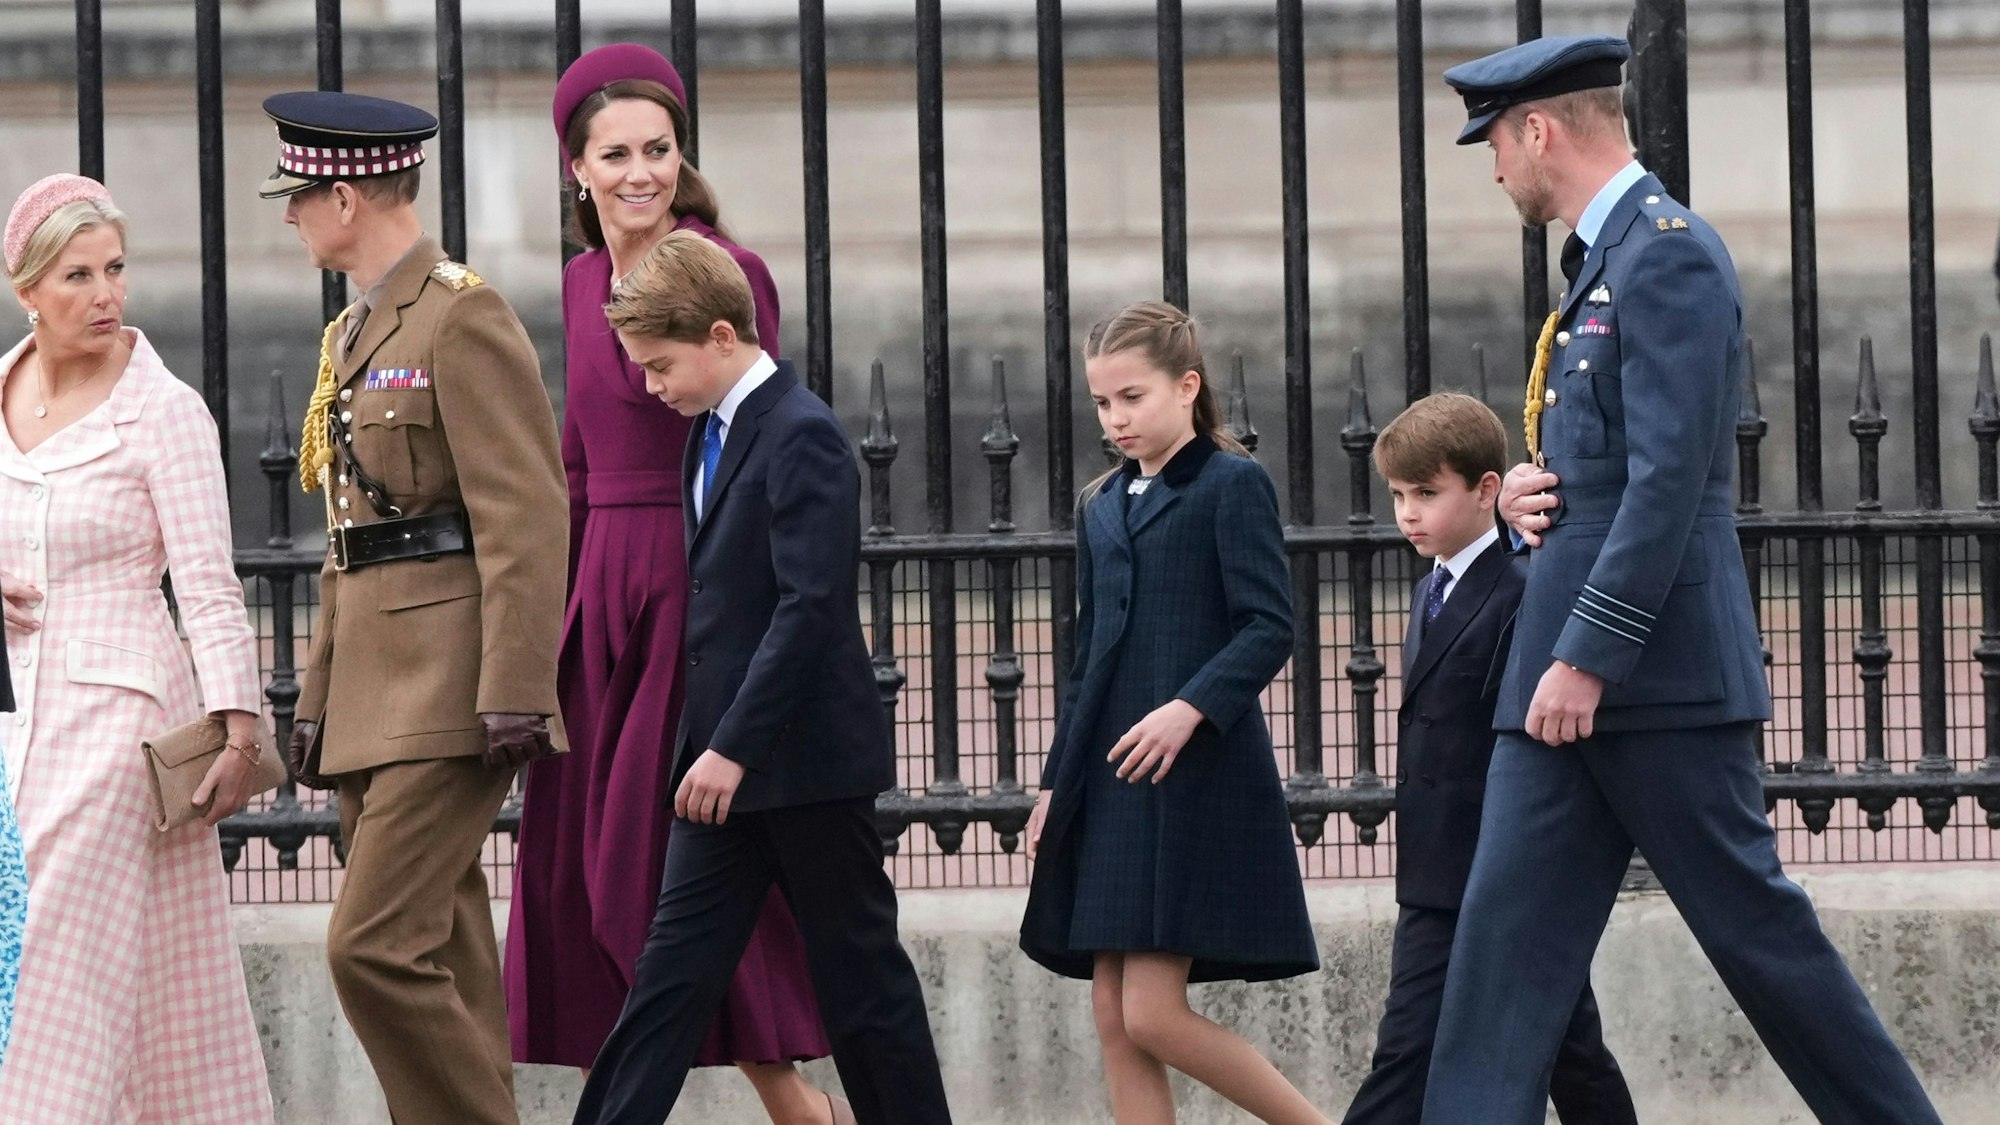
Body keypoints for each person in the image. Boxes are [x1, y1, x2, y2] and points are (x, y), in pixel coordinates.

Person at [1420, 35, 1944, 1125]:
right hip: (1556, 681)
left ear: (1536, 130)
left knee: (1759, 943)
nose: (1492, 171)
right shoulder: (1604, 262)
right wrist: (1529, 498)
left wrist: (1585, 655)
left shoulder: (1667, 254)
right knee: (1497, 961)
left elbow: (1672, 485)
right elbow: (1615, 472)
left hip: (1644, 679)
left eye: (1494, 145)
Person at [506, 43, 843, 1125]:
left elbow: (750, 444)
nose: (640, 170)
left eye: (658, 148)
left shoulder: (722, 273)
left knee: (661, 872)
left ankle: (803, 1104)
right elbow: (572, 452)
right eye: (616, 153)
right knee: (600, 877)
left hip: (688, 587)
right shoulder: (575, 281)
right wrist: (550, 611)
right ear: (577, 168)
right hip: (596, 591)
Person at [570, 230, 952, 1125]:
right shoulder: (711, 428)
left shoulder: (803, 432)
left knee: (863, 993)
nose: (651, 386)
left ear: (718, 335)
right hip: (721, 773)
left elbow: (809, 610)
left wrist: (731, 749)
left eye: (659, 365)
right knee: (666, 986)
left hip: (803, 768)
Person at [261, 93, 569, 1125]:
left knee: (370, 948)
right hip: (372, 697)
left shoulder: (458, 312)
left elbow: (524, 514)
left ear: (344, 196)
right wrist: (317, 696)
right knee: (439, 946)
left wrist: (517, 685)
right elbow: (353, 541)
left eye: (299, 199)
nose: (292, 218)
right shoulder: (355, 327)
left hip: (451, 687)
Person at [0, 173, 273, 1121]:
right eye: (77, 275)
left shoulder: (165, 411)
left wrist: (240, 729)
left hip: (120, 727)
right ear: (27, 288)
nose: (106, 293)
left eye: (114, 268)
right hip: (14, 722)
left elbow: (207, 582)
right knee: (133, 980)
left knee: (49, 953)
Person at [1019, 301, 1326, 1125]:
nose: (1115, 418)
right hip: (1111, 780)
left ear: (1187, 386)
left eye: (1132, 396)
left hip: (1190, 774)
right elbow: (1090, 656)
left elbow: (1271, 625)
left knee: (1153, 1012)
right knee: (1116, 1021)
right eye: (1102, 402)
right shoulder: (1101, 503)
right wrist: (1056, 784)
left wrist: (1189, 707)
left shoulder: (1232, 482)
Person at [1344, 392, 1636, 1125]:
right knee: (1562, 1048)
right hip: (1439, 864)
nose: (1409, 513)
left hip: (1495, 861)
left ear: (1484, 491)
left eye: (1426, 494)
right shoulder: (1430, 588)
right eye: (1398, 496)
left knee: (1424, 1050)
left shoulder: (1521, 584)